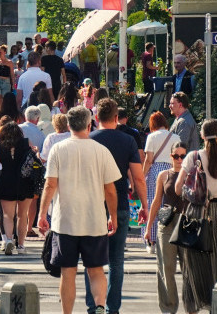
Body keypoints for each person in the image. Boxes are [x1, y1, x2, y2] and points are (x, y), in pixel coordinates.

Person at [37, 105, 121, 314]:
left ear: (68, 124)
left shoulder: (58, 149)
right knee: (96, 270)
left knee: (68, 272)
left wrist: (42, 213)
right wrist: (112, 216)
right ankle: (100, 306)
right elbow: (110, 190)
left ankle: (67, 312)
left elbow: (50, 185)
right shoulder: (101, 151)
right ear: (88, 123)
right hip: (94, 221)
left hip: (65, 221)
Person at [87, 98, 147, 314]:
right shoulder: (128, 140)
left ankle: (94, 305)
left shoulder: (89, 140)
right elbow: (139, 178)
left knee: (93, 261)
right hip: (120, 203)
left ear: (96, 118)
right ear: (116, 118)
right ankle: (113, 308)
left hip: (93, 206)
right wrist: (144, 205)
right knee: (116, 261)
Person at [174, 120, 217, 313]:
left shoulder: (193, 156)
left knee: (194, 263)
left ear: (201, 136)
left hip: (198, 212)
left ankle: (193, 306)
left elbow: (178, 189)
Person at [145, 144, 188, 314]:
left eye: (182, 156)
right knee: (165, 267)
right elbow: (156, 201)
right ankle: (168, 308)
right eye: (176, 156)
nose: (179, 160)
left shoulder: (192, 175)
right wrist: (148, 228)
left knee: (189, 268)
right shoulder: (164, 175)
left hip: (186, 224)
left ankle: (191, 305)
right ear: (170, 156)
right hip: (167, 223)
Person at [0, 120, 37, 255]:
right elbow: (34, 157)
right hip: (24, 181)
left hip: (6, 181)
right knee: (22, 215)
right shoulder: (26, 142)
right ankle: (21, 245)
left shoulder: (0, 146)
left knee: (7, 215)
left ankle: (9, 240)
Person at [141, 111, 177, 234]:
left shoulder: (152, 137)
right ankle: (166, 234)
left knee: (152, 202)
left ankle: (150, 236)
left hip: (155, 170)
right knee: (167, 204)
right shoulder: (175, 137)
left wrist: (142, 175)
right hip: (171, 171)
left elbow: (149, 159)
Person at [0, 46, 15, 111]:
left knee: (5, 101)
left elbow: (12, 75)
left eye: (0, 52)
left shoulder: (9, 62)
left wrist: (13, 85)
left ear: (5, 52)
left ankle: (4, 115)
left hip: (6, 82)